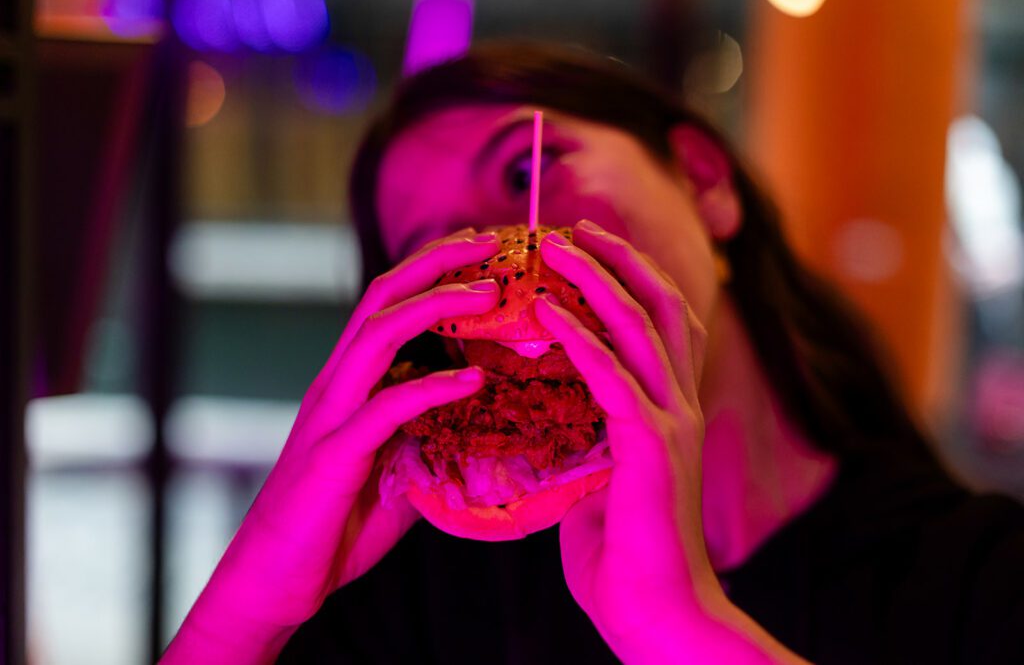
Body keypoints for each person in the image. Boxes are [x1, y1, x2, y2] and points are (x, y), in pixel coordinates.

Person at [162, 42, 1024, 664]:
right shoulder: (421, 597)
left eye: (522, 175)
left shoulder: (975, 579)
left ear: (704, 182)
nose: (500, 250)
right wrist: (246, 609)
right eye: (440, 247)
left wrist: (683, 632)